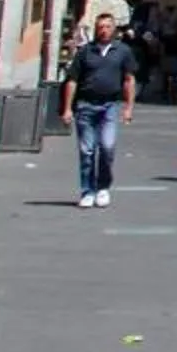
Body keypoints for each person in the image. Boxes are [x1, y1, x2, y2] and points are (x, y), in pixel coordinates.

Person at [60, 12, 138, 208]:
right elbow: (72, 81)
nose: (104, 30)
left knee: (107, 147)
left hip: (109, 106)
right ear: (96, 29)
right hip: (85, 105)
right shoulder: (86, 52)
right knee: (87, 151)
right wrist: (67, 108)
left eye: (107, 27)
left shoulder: (123, 51)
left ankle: (103, 187)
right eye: (100, 27)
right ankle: (87, 191)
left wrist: (129, 108)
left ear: (114, 29)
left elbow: (129, 80)